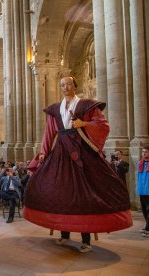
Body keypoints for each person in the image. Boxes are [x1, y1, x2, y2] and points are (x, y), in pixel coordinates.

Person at [24, 76, 132, 253]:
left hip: (82, 152)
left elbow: (103, 125)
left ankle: (86, 239)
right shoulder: (55, 109)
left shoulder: (86, 105)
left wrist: (84, 124)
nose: (65, 87)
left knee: (84, 194)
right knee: (61, 192)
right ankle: (64, 234)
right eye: (62, 85)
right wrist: (43, 152)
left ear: (75, 85)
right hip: (61, 152)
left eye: (68, 84)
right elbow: (49, 132)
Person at [137, 146, 149, 237]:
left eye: (146, 152)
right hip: (142, 190)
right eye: (143, 152)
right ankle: (147, 227)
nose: (144, 153)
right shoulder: (140, 163)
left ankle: (148, 229)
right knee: (144, 210)